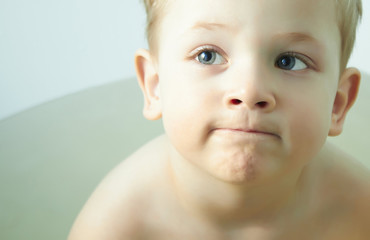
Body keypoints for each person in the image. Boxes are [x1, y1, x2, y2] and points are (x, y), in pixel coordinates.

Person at [68, 0, 370, 239]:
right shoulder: (118, 224)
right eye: (207, 55)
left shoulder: (358, 209)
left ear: (337, 103)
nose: (250, 90)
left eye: (289, 61)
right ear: (154, 86)